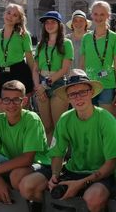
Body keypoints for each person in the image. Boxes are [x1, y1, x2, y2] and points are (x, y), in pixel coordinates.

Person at [25, 69, 116, 212]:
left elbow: (111, 165)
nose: (78, 98)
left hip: (100, 173)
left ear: (91, 93)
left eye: (83, 92)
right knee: (28, 186)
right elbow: (57, 153)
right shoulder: (65, 119)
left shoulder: (107, 120)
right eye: (73, 94)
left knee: (93, 198)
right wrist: (55, 175)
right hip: (73, 170)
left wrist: (81, 183)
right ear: (68, 98)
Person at [0, 80, 50, 204]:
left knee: (16, 176)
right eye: (6, 100)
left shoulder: (32, 119)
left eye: (16, 100)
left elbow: (27, 159)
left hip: (40, 165)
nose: (11, 104)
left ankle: (36, 205)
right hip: (13, 164)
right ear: (1, 102)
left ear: (24, 101)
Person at [33, 11, 73, 141]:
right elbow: (35, 69)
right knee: (47, 125)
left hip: (58, 84)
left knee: (59, 125)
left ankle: (61, 157)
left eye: (53, 22)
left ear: (59, 24)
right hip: (41, 84)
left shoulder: (66, 43)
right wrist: (38, 86)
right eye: (47, 22)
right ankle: (50, 156)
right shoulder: (41, 45)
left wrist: (44, 86)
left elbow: (64, 69)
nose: (49, 25)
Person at [0, 4, 35, 110]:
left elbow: (30, 61)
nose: (10, 16)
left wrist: (35, 82)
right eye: (8, 13)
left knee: (21, 112)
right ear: (4, 14)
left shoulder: (24, 35)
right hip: (1, 74)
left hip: (20, 73)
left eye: (15, 15)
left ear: (19, 19)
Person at [80, 1, 116, 114]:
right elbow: (82, 65)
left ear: (108, 16)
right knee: (90, 119)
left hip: (107, 85)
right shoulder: (86, 38)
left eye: (102, 14)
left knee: (105, 119)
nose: (98, 17)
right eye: (96, 14)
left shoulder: (115, 38)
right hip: (89, 85)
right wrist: (81, 84)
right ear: (91, 15)